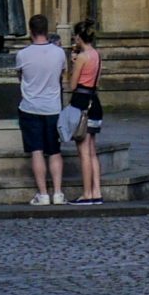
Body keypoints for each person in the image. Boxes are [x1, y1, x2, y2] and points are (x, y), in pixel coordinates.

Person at [16, 14, 68, 206]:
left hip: (30, 107)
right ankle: (58, 193)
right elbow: (62, 75)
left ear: (30, 31)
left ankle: (43, 194)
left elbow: (20, 76)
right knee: (54, 151)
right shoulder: (59, 53)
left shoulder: (22, 54)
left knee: (37, 152)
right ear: (47, 31)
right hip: (53, 108)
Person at [66, 20, 105, 204]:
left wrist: (73, 65)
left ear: (80, 37)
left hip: (82, 103)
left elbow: (72, 85)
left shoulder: (82, 57)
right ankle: (96, 192)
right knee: (92, 151)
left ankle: (87, 193)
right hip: (94, 101)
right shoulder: (97, 55)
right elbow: (96, 83)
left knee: (83, 152)